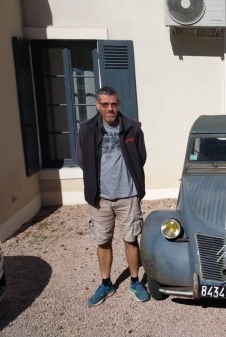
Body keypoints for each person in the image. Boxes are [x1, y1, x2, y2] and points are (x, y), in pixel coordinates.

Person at [76, 86, 150, 307]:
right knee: (103, 241)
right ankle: (106, 283)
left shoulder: (132, 128)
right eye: (105, 104)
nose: (110, 108)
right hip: (100, 198)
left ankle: (136, 282)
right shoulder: (87, 129)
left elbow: (141, 157)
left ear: (119, 105)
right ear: (97, 105)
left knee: (131, 239)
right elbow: (82, 160)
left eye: (114, 104)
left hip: (128, 195)